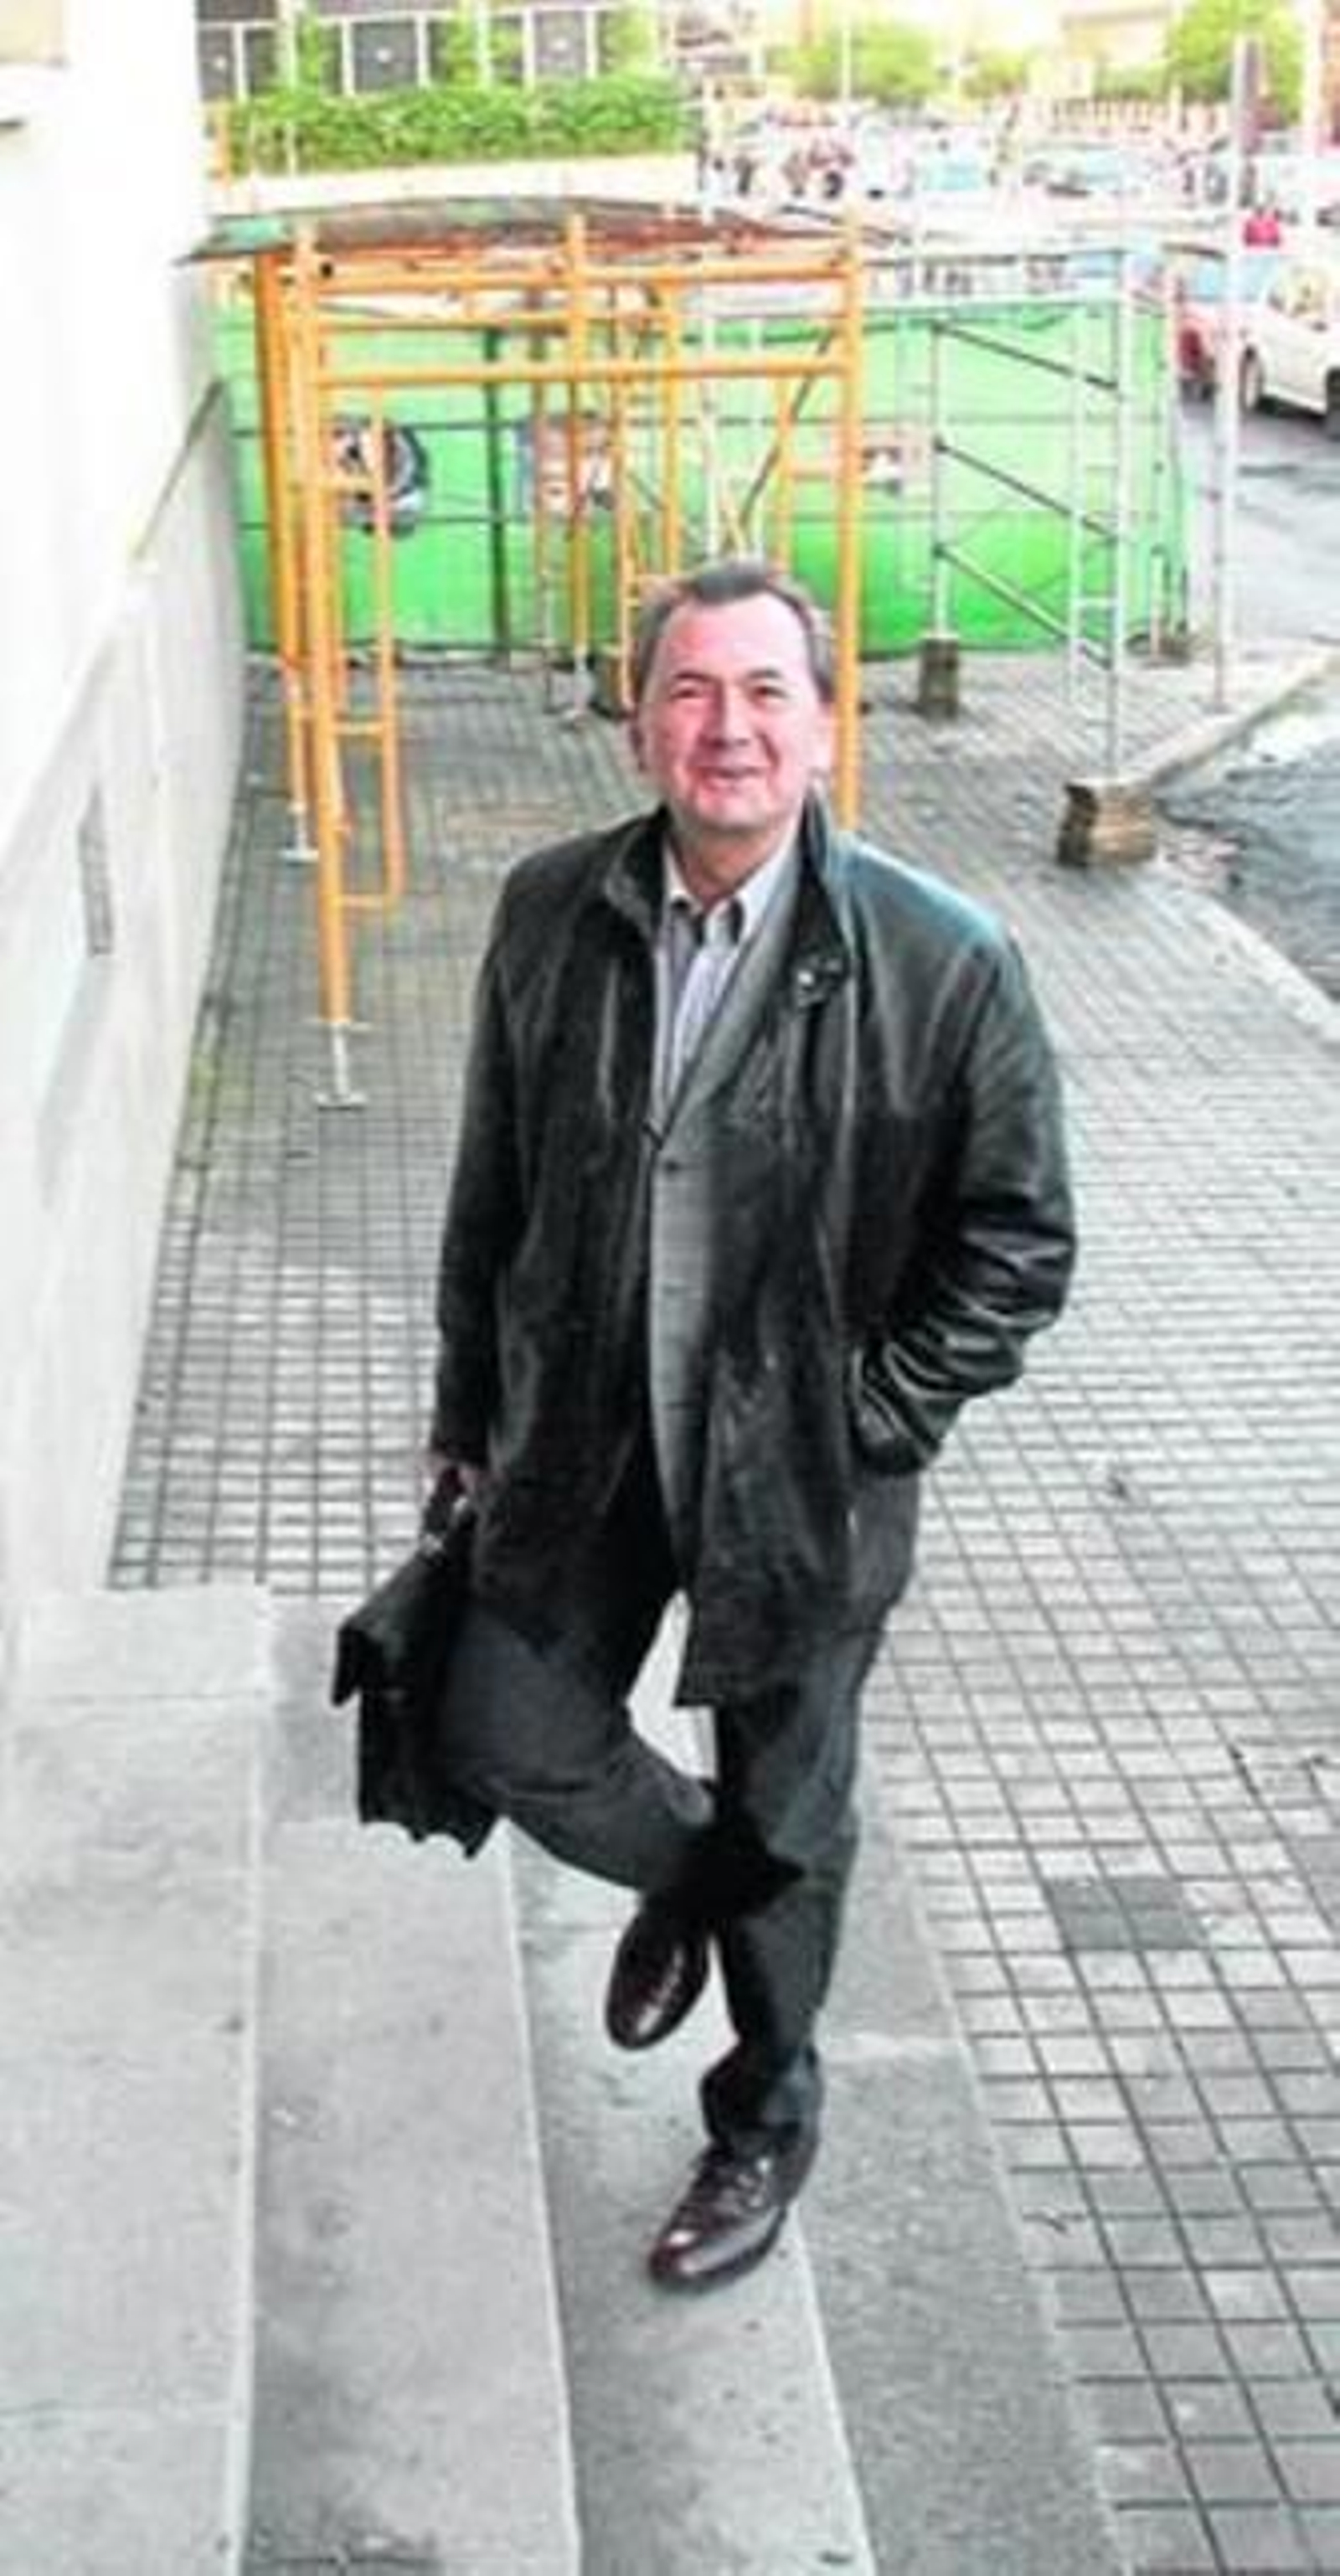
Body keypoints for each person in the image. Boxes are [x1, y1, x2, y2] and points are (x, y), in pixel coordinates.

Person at [425, 559, 1076, 2293]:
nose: (726, 727)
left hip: (801, 1482)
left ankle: (761, 2114)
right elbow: (490, 1186)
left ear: (821, 718)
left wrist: (866, 1417)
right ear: (635, 717)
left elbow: (1015, 1246)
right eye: (690, 690)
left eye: (763, 690)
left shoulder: (946, 961)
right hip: (584, 1431)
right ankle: (707, 1884)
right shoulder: (550, 909)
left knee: (794, 1795)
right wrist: (463, 1407)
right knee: (498, 1719)